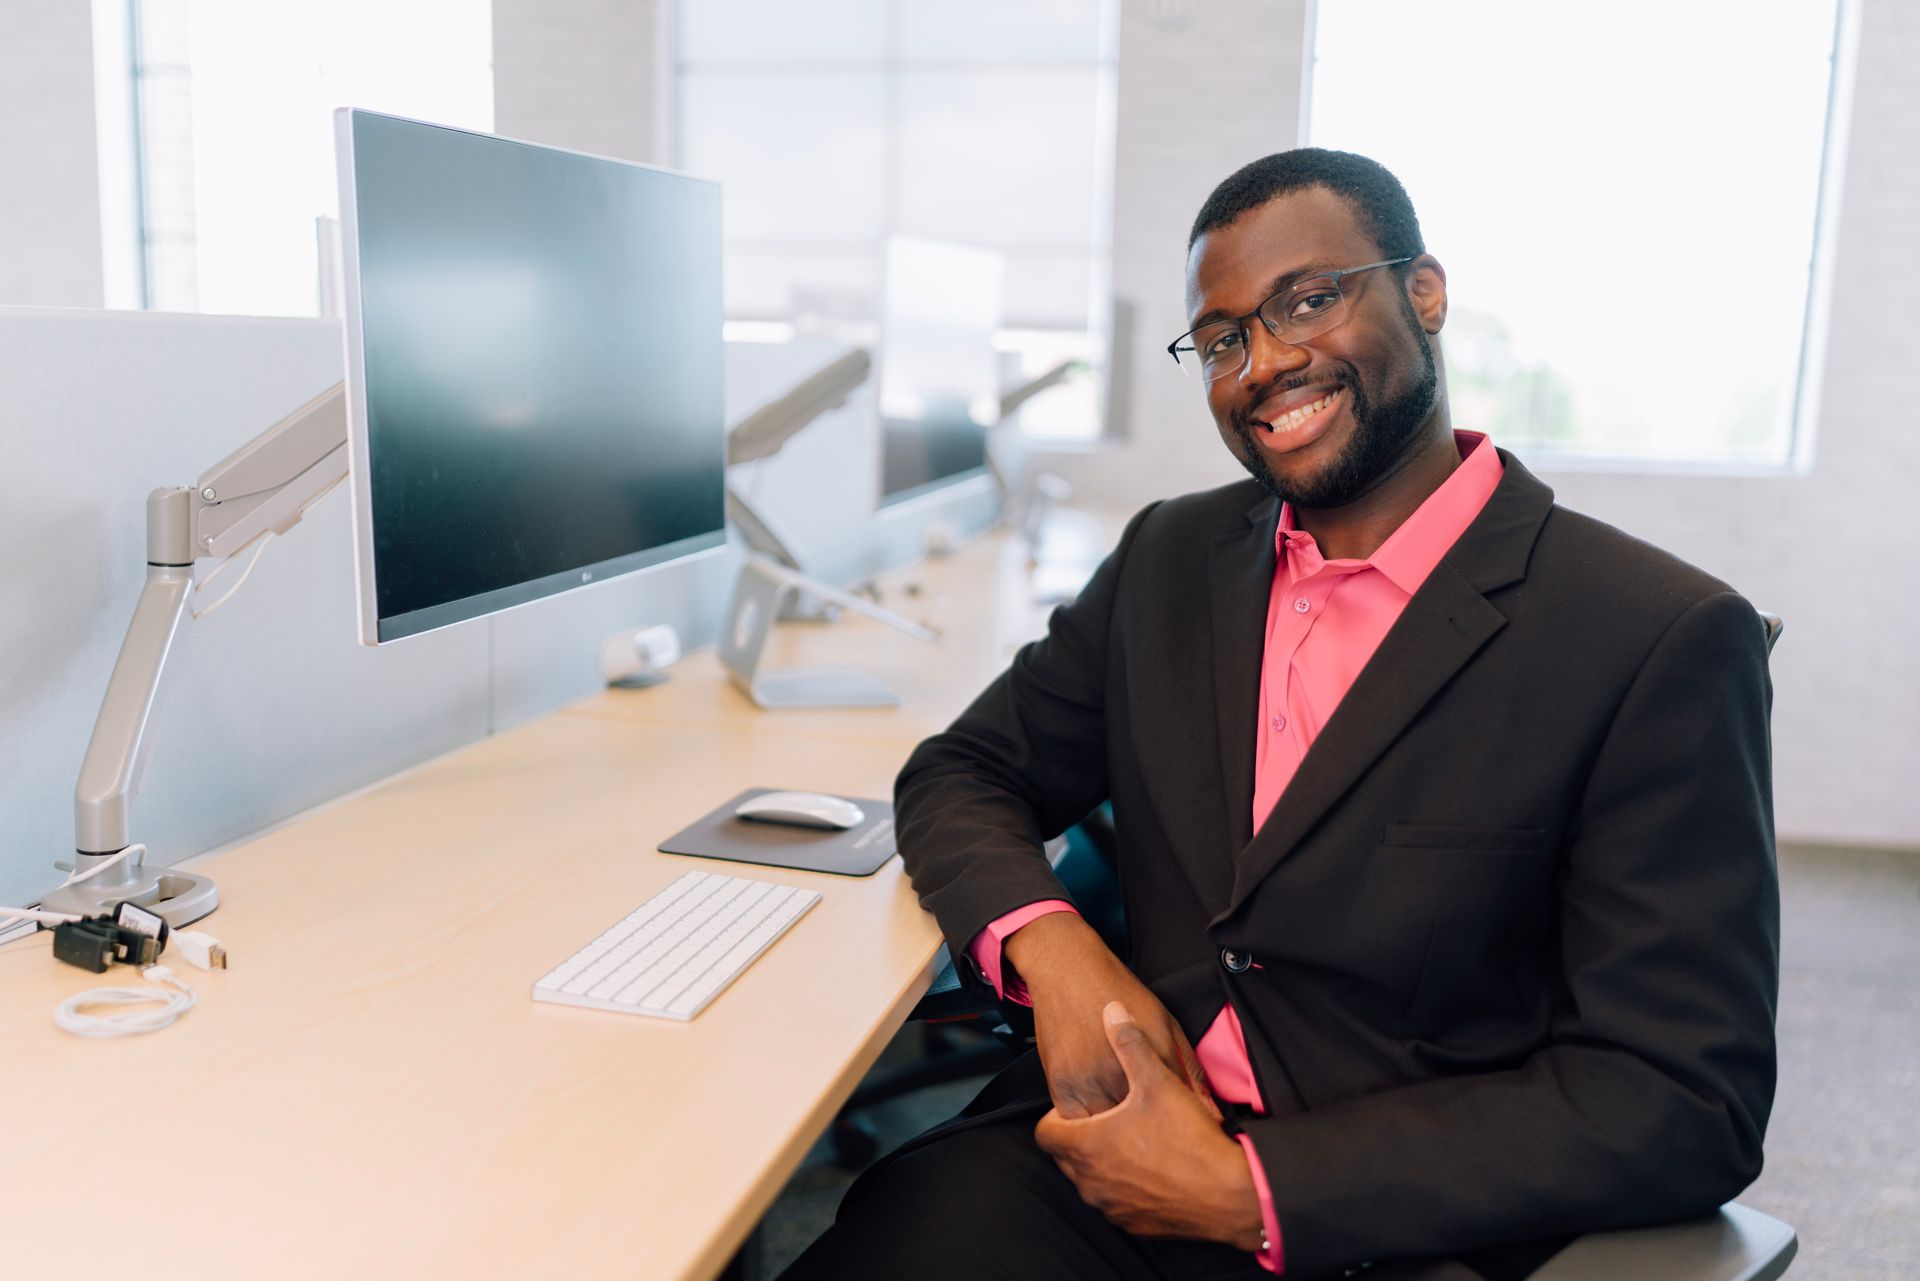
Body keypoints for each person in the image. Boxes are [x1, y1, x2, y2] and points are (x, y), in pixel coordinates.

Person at [780, 148, 1779, 1281]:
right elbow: (964, 771)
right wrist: (1056, 954)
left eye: (1310, 300)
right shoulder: (1171, 559)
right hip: (1105, 1155)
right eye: (1222, 340)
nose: (1265, 363)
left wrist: (1246, 1193)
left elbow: (1683, 1096)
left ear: (1425, 290)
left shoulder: (1653, 634)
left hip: (1386, 1223)